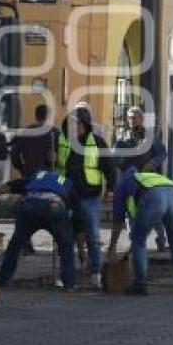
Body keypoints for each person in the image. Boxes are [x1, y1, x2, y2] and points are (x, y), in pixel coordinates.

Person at [107, 168, 173, 295]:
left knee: (139, 242)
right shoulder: (145, 177)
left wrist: (112, 246)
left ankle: (140, 284)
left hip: (154, 196)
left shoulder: (121, 185)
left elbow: (118, 221)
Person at [0, 169, 78, 291]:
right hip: (52, 208)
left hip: (28, 206)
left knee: (15, 244)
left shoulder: (36, 178)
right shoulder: (67, 183)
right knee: (66, 245)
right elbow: (78, 215)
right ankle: (69, 283)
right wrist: (80, 246)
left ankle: (1, 280)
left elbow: (11, 186)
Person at [63, 106, 117, 288]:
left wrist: (110, 189)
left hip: (89, 197)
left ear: (85, 124)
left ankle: (96, 273)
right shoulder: (66, 143)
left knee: (93, 236)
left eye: (77, 124)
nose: (74, 128)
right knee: (67, 237)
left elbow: (109, 167)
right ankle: (69, 275)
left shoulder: (97, 143)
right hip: (68, 197)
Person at [113, 106, 171, 249]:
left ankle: (161, 239)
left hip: (148, 179)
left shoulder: (150, 137)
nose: (132, 120)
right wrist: (121, 163)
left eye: (135, 117)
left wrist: (151, 163)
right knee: (130, 210)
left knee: (153, 210)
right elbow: (116, 157)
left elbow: (162, 154)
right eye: (130, 118)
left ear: (141, 118)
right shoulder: (122, 137)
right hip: (130, 179)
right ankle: (135, 239)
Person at [10, 104, 57, 180]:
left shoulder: (24, 133)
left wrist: (22, 169)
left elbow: (14, 156)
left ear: (36, 116)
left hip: (30, 174)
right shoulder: (54, 132)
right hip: (49, 175)